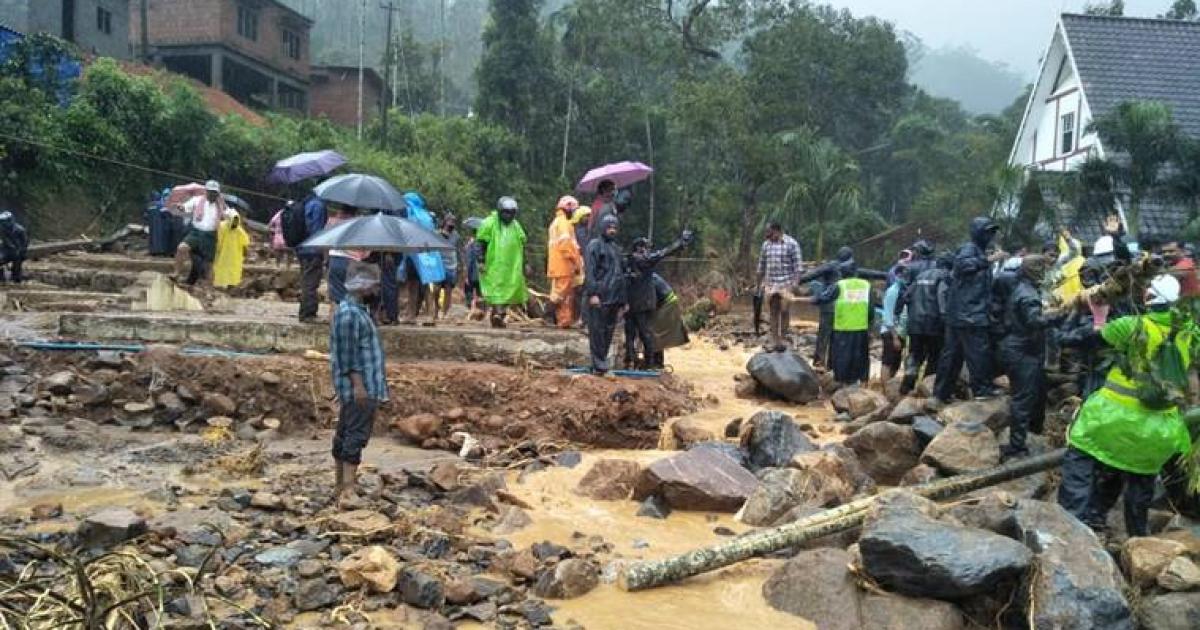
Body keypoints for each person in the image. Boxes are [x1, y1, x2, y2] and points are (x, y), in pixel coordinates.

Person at [1058, 274, 1195, 537]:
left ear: (1148, 298)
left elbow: (1074, 340)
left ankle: (1070, 531)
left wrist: (1098, 317)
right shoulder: (1190, 332)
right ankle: (1137, 539)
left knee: (1081, 458)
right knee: (1140, 480)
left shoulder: (1130, 327)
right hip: (1159, 431)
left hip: (1110, 421)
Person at [329, 262, 389, 508]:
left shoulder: (358, 311)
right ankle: (348, 491)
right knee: (355, 435)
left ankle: (342, 485)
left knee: (346, 433)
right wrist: (359, 386)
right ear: (363, 286)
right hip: (360, 387)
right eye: (374, 284)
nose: (377, 288)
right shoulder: (350, 315)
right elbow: (348, 355)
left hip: (363, 385)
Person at [932, 217, 1001, 408]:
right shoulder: (969, 250)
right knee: (977, 352)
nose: (991, 236)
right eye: (988, 232)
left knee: (952, 355)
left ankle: (941, 393)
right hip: (969, 314)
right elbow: (962, 266)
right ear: (978, 232)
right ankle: (982, 389)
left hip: (964, 313)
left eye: (992, 232)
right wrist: (988, 260)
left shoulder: (976, 251)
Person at [999, 255, 1051, 460]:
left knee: (1037, 392)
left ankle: (1032, 432)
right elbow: (1034, 321)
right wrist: (1059, 315)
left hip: (1022, 349)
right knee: (1023, 398)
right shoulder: (1028, 294)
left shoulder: (1022, 288)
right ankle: (1016, 446)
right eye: (1042, 268)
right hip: (1022, 351)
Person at [625, 231, 693, 368]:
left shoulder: (643, 262)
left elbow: (662, 254)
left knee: (650, 332)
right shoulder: (634, 262)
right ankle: (636, 360)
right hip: (642, 303)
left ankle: (653, 363)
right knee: (637, 332)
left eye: (645, 249)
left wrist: (679, 244)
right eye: (642, 248)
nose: (644, 251)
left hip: (661, 303)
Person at [813, 258, 873, 385]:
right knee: (860, 357)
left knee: (842, 357)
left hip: (843, 328)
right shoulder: (866, 285)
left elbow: (825, 297)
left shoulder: (840, 285)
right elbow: (871, 307)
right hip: (861, 327)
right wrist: (870, 324)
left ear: (843, 273)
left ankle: (842, 382)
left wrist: (811, 300)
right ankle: (861, 382)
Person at [898, 253, 950, 395]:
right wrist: (945, 319)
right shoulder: (944, 276)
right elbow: (942, 299)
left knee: (915, 354)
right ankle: (926, 387)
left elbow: (906, 296)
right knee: (934, 356)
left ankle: (906, 386)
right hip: (934, 324)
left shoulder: (921, 276)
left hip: (915, 323)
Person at [477, 196, 528, 328]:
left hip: (512, 266)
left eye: (511, 213)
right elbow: (481, 243)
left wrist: (525, 264)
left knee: (510, 290)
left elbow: (522, 244)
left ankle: (498, 315)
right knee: (496, 290)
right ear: (500, 211)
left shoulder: (516, 226)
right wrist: (481, 260)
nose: (509, 215)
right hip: (494, 264)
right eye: (506, 212)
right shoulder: (489, 223)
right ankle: (499, 313)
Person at [585, 214, 626, 374]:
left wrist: (623, 300)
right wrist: (593, 293)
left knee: (608, 331)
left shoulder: (616, 248)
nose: (612, 230)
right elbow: (590, 271)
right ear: (602, 228)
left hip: (614, 297)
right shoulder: (594, 246)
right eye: (609, 227)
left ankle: (602, 362)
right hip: (600, 296)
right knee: (597, 331)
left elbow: (620, 275)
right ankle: (598, 364)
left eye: (615, 227)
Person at [755, 222, 803, 352]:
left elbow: (798, 268)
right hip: (771, 284)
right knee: (773, 311)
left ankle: (783, 338)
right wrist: (758, 285)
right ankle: (775, 340)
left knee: (785, 310)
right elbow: (761, 265)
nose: (767, 236)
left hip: (786, 284)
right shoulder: (766, 245)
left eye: (769, 233)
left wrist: (794, 285)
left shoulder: (792, 244)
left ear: (777, 231)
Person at [174, 180, 232, 286]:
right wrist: (181, 207)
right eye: (210, 192)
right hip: (196, 232)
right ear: (206, 191)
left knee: (209, 263)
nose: (212, 194)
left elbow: (229, 215)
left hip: (210, 235)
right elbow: (186, 207)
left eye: (215, 192)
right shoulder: (197, 200)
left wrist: (230, 218)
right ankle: (176, 273)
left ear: (218, 193)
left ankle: (208, 287)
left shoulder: (221, 204)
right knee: (181, 248)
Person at [398, 192, 445, 324]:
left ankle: (418, 314)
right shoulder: (426, 216)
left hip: (412, 254)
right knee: (422, 284)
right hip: (426, 254)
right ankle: (423, 314)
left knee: (415, 285)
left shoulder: (408, 214)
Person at [547, 196, 584, 328]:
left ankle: (564, 321)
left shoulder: (556, 222)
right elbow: (566, 245)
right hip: (564, 265)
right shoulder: (563, 223)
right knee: (560, 294)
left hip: (557, 264)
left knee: (566, 295)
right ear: (568, 208)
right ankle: (547, 313)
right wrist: (575, 262)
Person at [298, 192, 328, 323]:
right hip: (312, 249)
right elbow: (316, 230)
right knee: (311, 281)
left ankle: (305, 311)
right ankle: (308, 313)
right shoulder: (318, 205)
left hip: (302, 248)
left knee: (306, 280)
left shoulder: (305, 202)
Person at [326, 205, 364, 306]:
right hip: (354, 260)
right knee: (352, 292)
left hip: (336, 258)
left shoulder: (333, 222)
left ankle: (339, 317)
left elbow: (326, 240)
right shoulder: (361, 223)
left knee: (337, 294)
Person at [649, 272, 689, 368]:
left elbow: (652, 299)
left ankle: (657, 363)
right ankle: (656, 361)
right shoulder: (650, 275)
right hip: (668, 301)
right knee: (656, 331)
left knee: (655, 331)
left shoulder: (647, 279)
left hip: (667, 303)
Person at [879, 263, 907, 383]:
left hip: (900, 331)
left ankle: (889, 385)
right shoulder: (892, 292)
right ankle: (884, 387)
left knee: (896, 362)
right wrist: (895, 337)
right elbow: (888, 316)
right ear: (898, 275)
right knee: (888, 361)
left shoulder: (903, 291)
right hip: (890, 332)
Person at [213, 209, 251, 289]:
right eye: (234, 220)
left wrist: (245, 251)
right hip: (223, 253)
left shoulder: (239, 230)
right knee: (220, 268)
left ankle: (232, 285)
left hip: (235, 255)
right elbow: (217, 239)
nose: (235, 223)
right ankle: (218, 285)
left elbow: (245, 242)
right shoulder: (222, 226)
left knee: (233, 270)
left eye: (236, 221)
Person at [434, 213, 460, 320]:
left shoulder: (456, 235)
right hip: (439, 263)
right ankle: (436, 308)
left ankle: (445, 312)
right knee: (436, 288)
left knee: (448, 290)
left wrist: (459, 266)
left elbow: (457, 249)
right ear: (444, 222)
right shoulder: (436, 233)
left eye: (453, 222)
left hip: (451, 265)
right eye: (449, 221)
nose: (451, 223)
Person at [570, 206, 592, 326]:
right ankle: (581, 318)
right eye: (586, 216)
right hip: (580, 263)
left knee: (581, 291)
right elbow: (583, 249)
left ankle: (581, 318)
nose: (589, 218)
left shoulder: (586, 231)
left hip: (582, 263)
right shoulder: (580, 232)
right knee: (580, 291)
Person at [0, 211, 28, 284]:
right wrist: (11, 247)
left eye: (4, 221)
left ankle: (16, 278)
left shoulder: (20, 230)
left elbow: (25, 242)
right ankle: (1, 277)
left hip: (18, 251)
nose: (3, 223)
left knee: (17, 264)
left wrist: (21, 251)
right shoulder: (2, 230)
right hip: (6, 250)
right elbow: (5, 240)